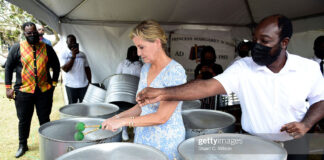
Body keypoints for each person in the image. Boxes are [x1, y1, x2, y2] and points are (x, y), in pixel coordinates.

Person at [136, 15, 324, 160]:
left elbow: (320, 100)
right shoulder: (244, 67)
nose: (256, 46)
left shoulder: (308, 69)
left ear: (284, 42)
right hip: (255, 144)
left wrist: (306, 124)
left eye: (265, 41)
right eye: (255, 40)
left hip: (295, 145)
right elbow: (206, 87)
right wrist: (163, 93)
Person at [102, 20, 186, 160]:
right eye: (137, 48)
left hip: (166, 142)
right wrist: (116, 117)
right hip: (143, 137)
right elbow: (141, 107)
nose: (139, 53)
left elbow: (161, 117)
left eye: (142, 47)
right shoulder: (145, 68)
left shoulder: (175, 71)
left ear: (157, 43)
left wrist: (123, 122)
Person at [5, 22, 60, 158]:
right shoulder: (17, 48)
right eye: (29, 32)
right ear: (24, 33)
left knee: (44, 118)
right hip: (23, 92)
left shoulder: (47, 48)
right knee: (24, 119)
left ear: (37, 32)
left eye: (34, 32)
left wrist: (53, 84)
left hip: (43, 91)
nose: (32, 34)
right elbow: (8, 68)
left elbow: (56, 66)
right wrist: (8, 88)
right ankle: (22, 145)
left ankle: (48, 143)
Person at [116, 45, 143, 141]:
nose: (135, 54)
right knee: (124, 111)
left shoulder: (141, 65)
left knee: (137, 110)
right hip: (124, 93)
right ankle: (124, 130)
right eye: (133, 52)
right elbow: (117, 78)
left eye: (136, 52)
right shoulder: (122, 64)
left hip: (137, 92)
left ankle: (136, 127)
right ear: (128, 53)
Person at [59, 34, 91, 104]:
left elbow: (87, 68)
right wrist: (73, 56)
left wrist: (89, 82)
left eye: (74, 42)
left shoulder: (82, 54)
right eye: (71, 42)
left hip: (83, 85)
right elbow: (65, 69)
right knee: (72, 107)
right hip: (71, 86)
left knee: (85, 105)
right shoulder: (63, 54)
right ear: (67, 43)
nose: (73, 44)